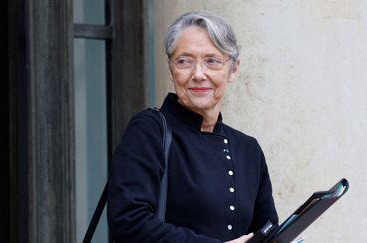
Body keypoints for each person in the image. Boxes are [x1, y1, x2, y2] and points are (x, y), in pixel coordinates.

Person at [107, 10, 278, 243]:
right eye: (184, 61)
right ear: (171, 69)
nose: (198, 74)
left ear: (234, 69)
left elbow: (265, 230)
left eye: (212, 61)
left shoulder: (247, 149)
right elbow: (128, 222)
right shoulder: (149, 130)